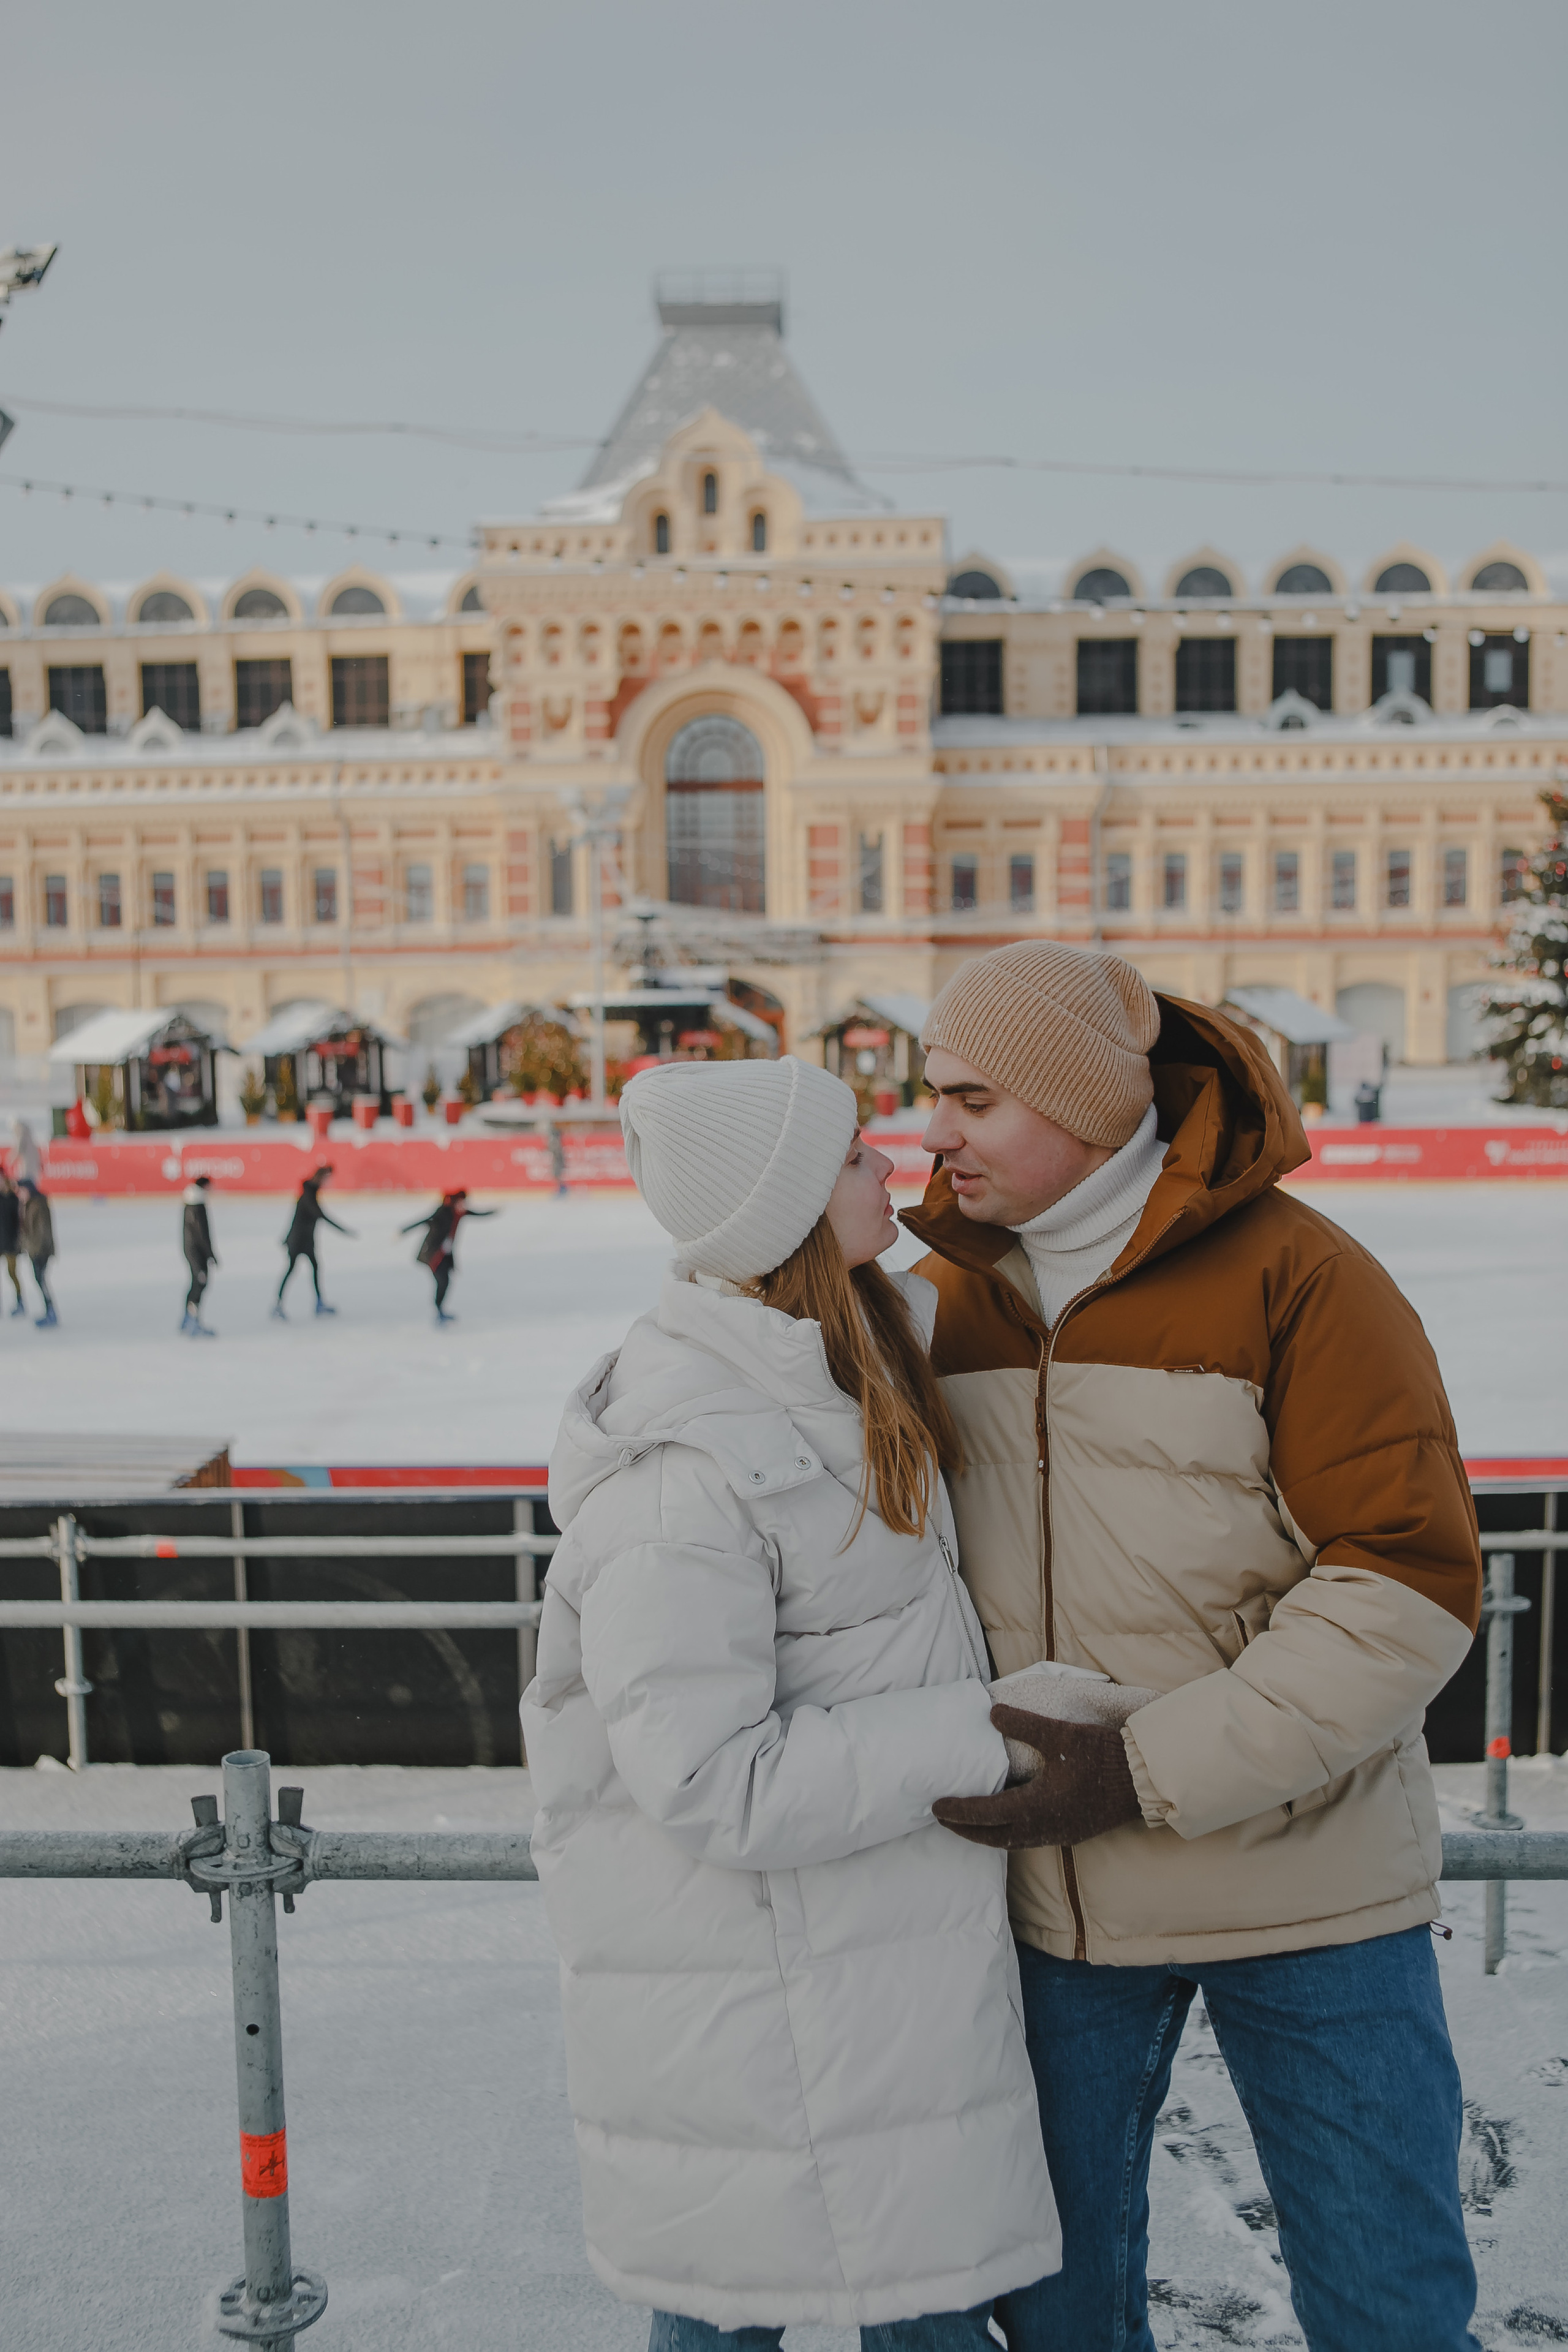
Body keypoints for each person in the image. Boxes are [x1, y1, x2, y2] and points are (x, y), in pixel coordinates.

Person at [897, 940, 1483, 2352]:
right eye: (929, 1094)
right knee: (1051, 2317)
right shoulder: (939, 1297)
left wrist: (1140, 1767)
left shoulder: (1305, 1279)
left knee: (1385, 2309)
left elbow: (1400, 1583)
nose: (931, 1130)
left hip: (1311, 1894)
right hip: (1052, 1903)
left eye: (972, 1098)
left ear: (1085, 1103)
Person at [521, 1055, 1058, 2349]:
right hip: (760, 2027)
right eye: (849, 1156)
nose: (889, 1165)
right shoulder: (681, 1477)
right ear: (782, 1215)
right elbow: (711, 1778)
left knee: (912, 2311)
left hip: (875, 1993)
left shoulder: (850, 1376)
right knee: (741, 2317)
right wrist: (995, 1733)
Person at [398, 1186, 497, 1324]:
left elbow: (476, 1214)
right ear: (455, 1202)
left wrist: (492, 1212)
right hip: (433, 1256)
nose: (464, 1206)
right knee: (443, 1281)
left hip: (445, 1256)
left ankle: (440, 1311)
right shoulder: (443, 1212)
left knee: (446, 1282)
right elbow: (426, 1220)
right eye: (462, 1203)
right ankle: (438, 1311)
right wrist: (404, 1230)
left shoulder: (460, 1213)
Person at [271, 1164, 355, 1318]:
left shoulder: (311, 1193)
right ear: (322, 1177)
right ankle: (278, 1306)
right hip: (298, 1241)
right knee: (291, 1270)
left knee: (315, 1268)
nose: (329, 1182)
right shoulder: (308, 1195)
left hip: (306, 1240)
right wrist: (343, 1230)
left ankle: (318, 1303)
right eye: (328, 1178)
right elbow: (319, 1215)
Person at [181, 1174, 219, 1336]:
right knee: (200, 1283)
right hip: (197, 1253)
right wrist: (211, 1254)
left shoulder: (191, 1202)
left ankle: (188, 1319)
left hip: (191, 1250)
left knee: (197, 1283)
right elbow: (202, 1234)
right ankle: (192, 1321)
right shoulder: (198, 1205)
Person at [18, 1179, 58, 1329]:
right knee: (40, 1280)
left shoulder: (38, 1204)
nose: (20, 1194)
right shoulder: (28, 1204)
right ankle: (50, 1311)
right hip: (36, 1250)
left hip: (41, 1251)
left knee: (41, 1280)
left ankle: (51, 1312)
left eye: (21, 1190)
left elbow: (43, 1231)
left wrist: (38, 1249)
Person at [0, 1170, 26, 1317]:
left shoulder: (13, 1199)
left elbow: (20, 1223)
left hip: (10, 1243)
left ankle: (20, 1301)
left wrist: (19, 1241)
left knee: (12, 1273)